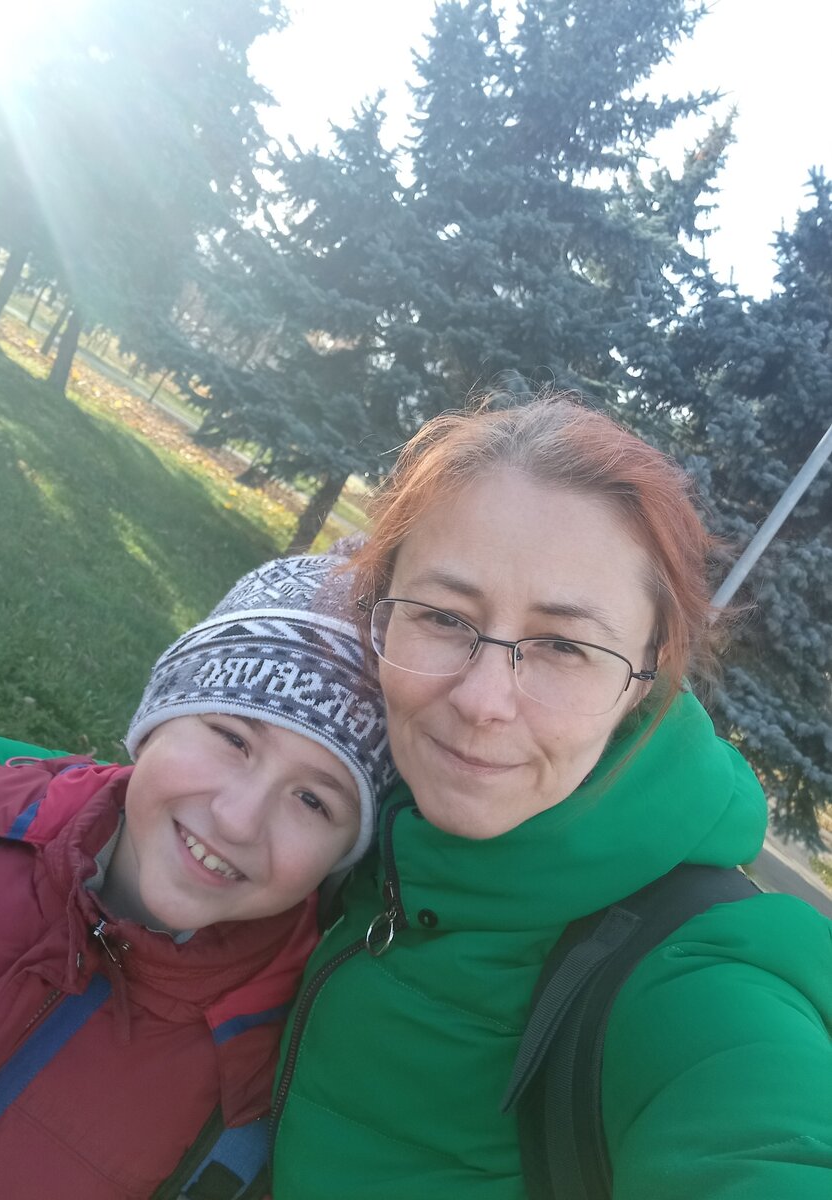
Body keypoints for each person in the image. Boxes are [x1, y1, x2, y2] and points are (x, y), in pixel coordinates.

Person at [269, 396, 832, 1199]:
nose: (481, 701)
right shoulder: (361, 799)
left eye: (564, 645)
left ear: (645, 676)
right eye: (442, 616)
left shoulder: (701, 972)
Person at [0, 552, 395, 1200]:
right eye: (233, 738)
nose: (237, 820)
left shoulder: (261, 1097)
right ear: (157, 722)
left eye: (313, 801)